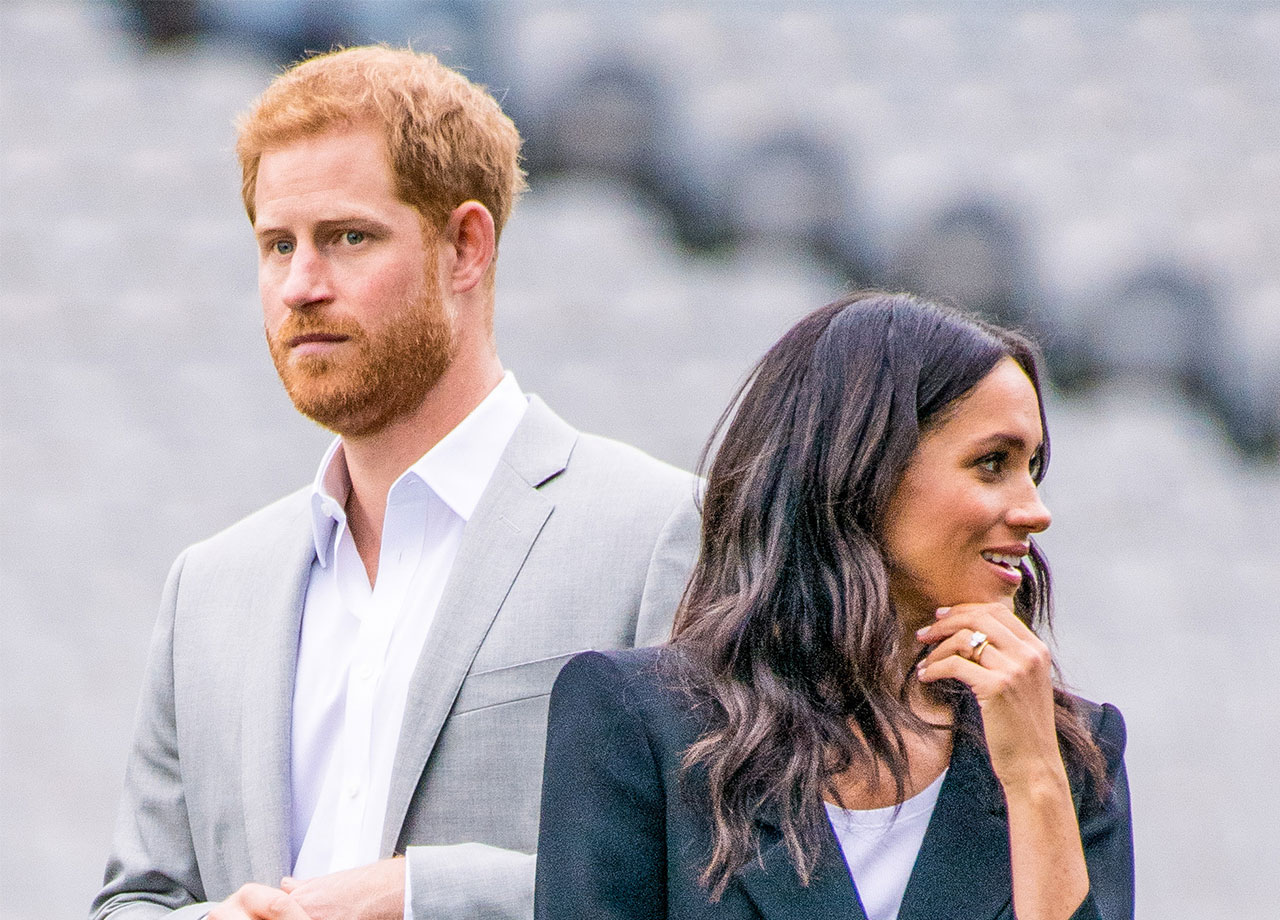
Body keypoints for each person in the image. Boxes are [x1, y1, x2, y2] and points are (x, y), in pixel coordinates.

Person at [92, 47, 699, 920]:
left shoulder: (656, 533)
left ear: (466, 245)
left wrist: (417, 896)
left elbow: (709, 883)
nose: (301, 285)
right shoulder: (208, 588)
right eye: (277, 245)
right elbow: (134, 899)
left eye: (348, 238)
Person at [536, 292, 1134, 920]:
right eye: (992, 463)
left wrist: (1036, 781)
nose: (1035, 510)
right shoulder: (639, 720)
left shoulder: (1071, 753)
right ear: (863, 465)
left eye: (1033, 469)